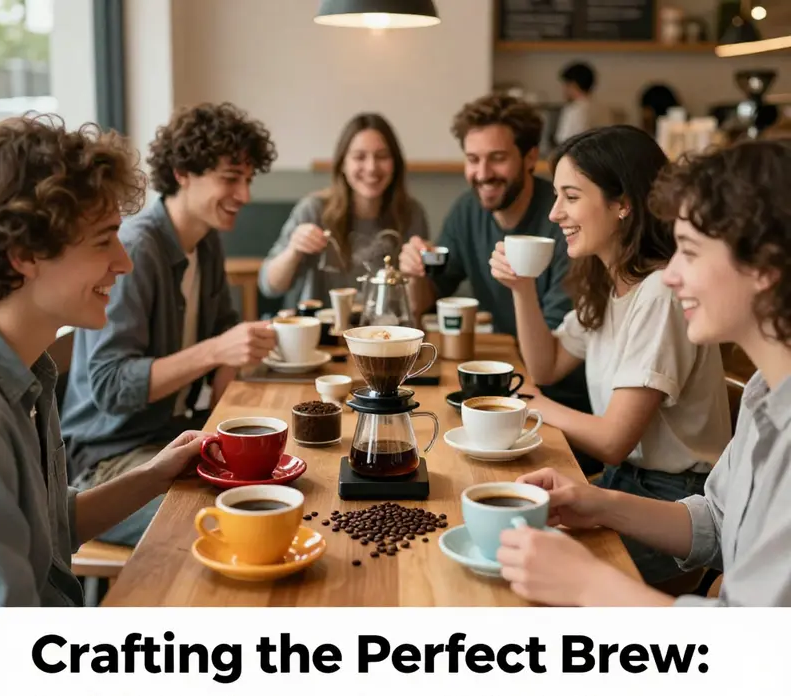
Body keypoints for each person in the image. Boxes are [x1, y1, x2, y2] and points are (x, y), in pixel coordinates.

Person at [0, 114, 305, 696]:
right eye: (105, 240)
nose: (125, 260)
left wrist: (156, 472)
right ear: (24, 256)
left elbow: (55, 524)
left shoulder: (27, 374)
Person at [482, 138, 791, 696]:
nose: (672, 274)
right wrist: (597, 505)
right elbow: (712, 521)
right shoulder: (769, 393)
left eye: (691, 253)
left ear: (764, 266)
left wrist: (592, 584)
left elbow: (745, 654)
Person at [489, 125, 730, 586]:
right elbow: (547, 366)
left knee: (526, 572)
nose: (555, 213)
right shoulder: (606, 282)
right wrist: (522, 288)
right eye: (556, 196)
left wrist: (530, 406)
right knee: (507, 537)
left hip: (673, 504)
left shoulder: (661, 291)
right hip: (623, 484)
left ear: (623, 204)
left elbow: (614, 439)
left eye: (571, 197)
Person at [61, 102, 277, 546]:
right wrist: (217, 350)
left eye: (249, 179)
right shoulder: (138, 249)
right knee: (236, 525)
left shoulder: (207, 241)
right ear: (183, 172)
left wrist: (229, 429)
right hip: (106, 462)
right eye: (231, 178)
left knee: (273, 486)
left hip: (169, 439)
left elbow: (227, 341)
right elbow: (110, 386)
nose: (245, 195)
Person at [400, 92, 592, 424]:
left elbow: (551, 359)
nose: (483, 173)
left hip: (566, 403)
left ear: (530, 157)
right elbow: (428, 298)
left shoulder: (565, 220)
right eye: (472, 159)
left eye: (497, 158)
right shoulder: (466, 210)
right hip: (507, 386)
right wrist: (415, 271)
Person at [260, 112, 428, 310]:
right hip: (322, 335)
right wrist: (293, 251)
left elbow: (420, 304)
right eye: (359, 157)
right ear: (343, 164)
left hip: (386, 333)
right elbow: (269, 286)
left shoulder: (411, 213)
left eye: (382, 156)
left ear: (395, 164)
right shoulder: (313, 210)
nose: (372, 167)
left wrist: (416, 272)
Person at [554, 61, 597, 144]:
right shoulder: (604, 109)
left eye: (566, 85)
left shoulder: (573, 110)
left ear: (573, 85)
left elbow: (563, 141)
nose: (564, 89)